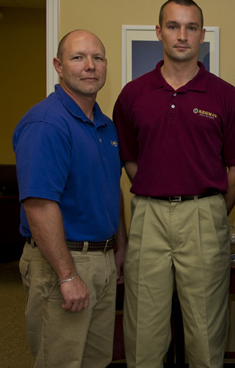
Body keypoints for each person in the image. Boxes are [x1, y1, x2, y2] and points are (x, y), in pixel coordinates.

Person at [113, 0, 235, 368]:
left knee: (205, 331)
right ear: (159, 32)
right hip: (149, 216)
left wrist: (209, 208)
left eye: (191, 27)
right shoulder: (133, 95)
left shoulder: (225, 96)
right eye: (173, 26)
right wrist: (160, 189)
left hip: (204, 215)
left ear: (201, 35)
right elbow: (129, 159)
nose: (182, 35)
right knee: (144, 330)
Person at [12, 30, 126, 368]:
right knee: (60, 361)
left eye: (98, 58)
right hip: (64, 262)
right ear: (59, 66)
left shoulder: (104, 125)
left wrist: (120, 247)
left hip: (102, 260)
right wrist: (67, 275)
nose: (90, 66)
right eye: (78, 58)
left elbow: (111, 188)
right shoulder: (46, 123)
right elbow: (38, 204)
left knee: (95, 361)